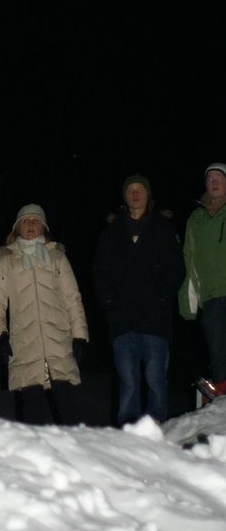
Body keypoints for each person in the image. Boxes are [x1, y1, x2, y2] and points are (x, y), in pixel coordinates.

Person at [93, 175, 184, 426]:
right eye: (130, 190)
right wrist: (109, 303)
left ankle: (156, 428)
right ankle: (128, 431)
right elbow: (100, 272)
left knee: (155, 378)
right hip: (122, 321)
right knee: (128, 381)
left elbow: (176, 268)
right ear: (124, 196)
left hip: (155, 320)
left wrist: (164, 297)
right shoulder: (112, 233)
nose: (135, 194)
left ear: (148, 195)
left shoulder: (163, 229)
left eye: (140, 189)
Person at [0, 204, 88, 425]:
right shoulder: (7, 260)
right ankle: (35, 458)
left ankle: (75, 455)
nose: (31, 225)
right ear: (17, 228)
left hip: (58, 341)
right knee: (31, 412)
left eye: (35, 220)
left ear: (43, 226)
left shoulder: (57, 257)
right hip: (24, 343)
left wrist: (80, 336)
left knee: (68, 408)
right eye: (26, 221)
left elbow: (73, 298)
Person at [178, 163, 226, 393]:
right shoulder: (195, 219)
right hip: (210, 295)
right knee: (217, 352)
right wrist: (188, 299)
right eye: (210, 178)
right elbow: (188, 258)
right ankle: (222, 401)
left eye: (220, 177)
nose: (215, 181)